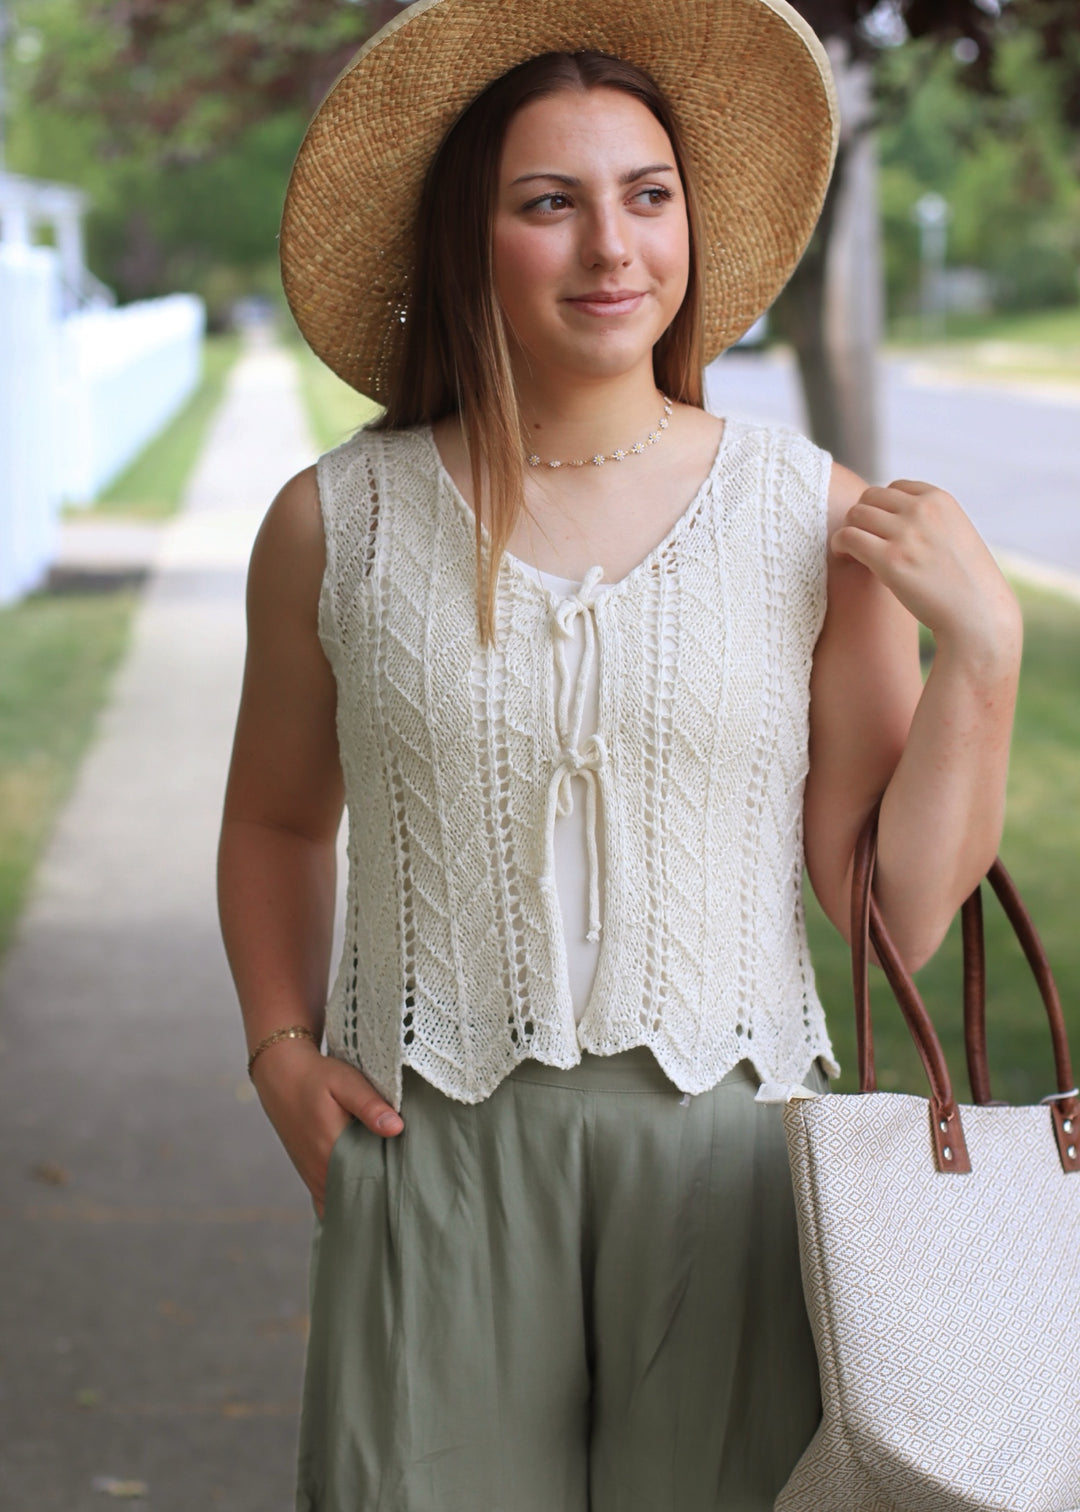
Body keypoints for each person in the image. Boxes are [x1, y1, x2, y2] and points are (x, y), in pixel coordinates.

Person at [217, 0, 1022, 1506]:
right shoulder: (339, 522)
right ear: (473, 235)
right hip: (429, 1143)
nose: (614, 248)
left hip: (736, 1164)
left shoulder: (809, 518)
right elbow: (272, 821)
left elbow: (888, 919)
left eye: (649, 196)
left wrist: (985, 653)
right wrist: (278, 1048)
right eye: (551, 203)